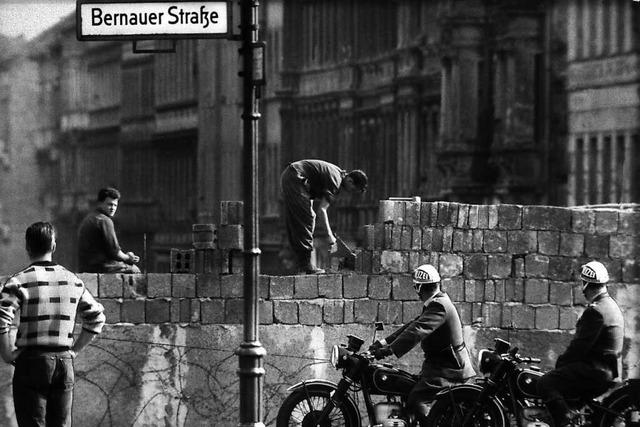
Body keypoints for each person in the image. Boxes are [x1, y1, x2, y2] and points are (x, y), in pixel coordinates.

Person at [0, 222, 106, 427]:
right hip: (64, 362)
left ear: (27, 247)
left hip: (31, 361)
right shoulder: (72, 281)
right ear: (54, 246)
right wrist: (74, 351)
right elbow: (97, 318)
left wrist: (7, 353)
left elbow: (2, 315)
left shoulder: (19, 281)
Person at [369, 264, 476, 425]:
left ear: (419, 287)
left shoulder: (439, 306)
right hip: (439, 366)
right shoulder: (437, 303)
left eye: (416, 287)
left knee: (416, 401)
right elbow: (412, 326)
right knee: (407, 388)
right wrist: (382, 343)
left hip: (449, 368)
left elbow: (417, 332)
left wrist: (387, 351)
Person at [537, 261, 624, 427]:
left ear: (586, 285)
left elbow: (579, 348)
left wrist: (559, 366)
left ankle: (566, 421)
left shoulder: (596, 311)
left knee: (545, 382)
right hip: (608, 370)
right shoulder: (611, 306)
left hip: (596, 371)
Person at [280, 159, 367, 274]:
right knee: (306, 219)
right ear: (350, 181)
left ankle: (301, 263)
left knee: (305, 218)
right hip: (295, 177)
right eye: (352, 190)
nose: (350, 193)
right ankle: (306, 265)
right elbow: (322, 210)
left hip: (294, 176)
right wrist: (330, 236)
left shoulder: (337, 173)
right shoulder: (336, 180)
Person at [77, 187, 141, 273]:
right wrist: (128, 258)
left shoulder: (90, 217)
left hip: (85, 267)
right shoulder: (104, 220)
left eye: (115, 205)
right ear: (100, 203)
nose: (113, 208)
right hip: (100, 267)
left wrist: (125, 256)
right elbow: (115, 252)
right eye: (109, 204)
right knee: (135, 270)